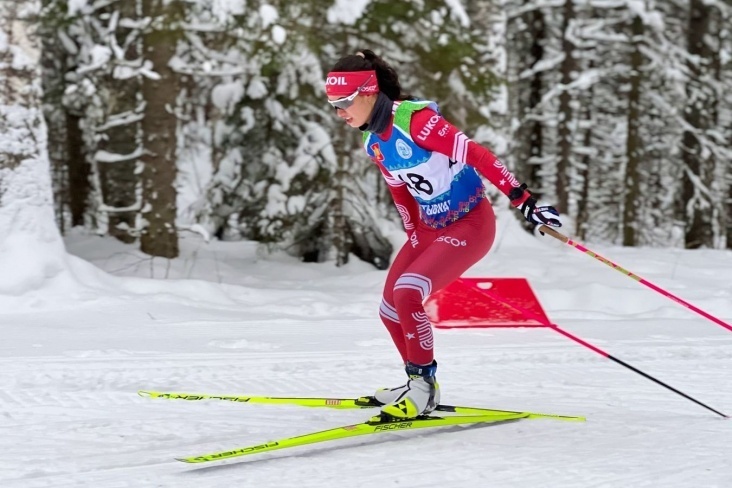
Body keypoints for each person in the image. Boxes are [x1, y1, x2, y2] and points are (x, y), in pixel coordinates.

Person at [325, 50, 562, 419]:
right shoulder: (374, 142)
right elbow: (400, 192)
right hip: (430, 228)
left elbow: (477, 155)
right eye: (333, 105)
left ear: (369, 92)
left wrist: (524, 199)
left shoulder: (415, 121)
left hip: (471, 224)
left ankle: (423, 386)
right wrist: (414, 234)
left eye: (343, 103)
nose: (339, 112)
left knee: (407, 294)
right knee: (390, 308)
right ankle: (415, 383)